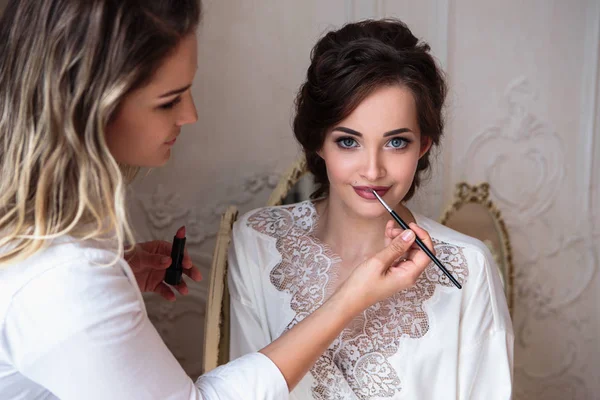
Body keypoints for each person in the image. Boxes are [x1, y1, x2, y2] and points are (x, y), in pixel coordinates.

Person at [0, 1, 433, 399]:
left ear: (424, 145)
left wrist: (110, 274)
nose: (190, 115)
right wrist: (348, 301)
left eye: (396, 141)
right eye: (169, 101)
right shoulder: (62, 281)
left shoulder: (56, 260)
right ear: (89, 105)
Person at [228, 19, 514, 399]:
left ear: (424, 145)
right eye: (348, 141)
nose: (373, 170)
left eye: (396, 143)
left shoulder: (470, 267)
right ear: (318, 142)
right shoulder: (257, 241)